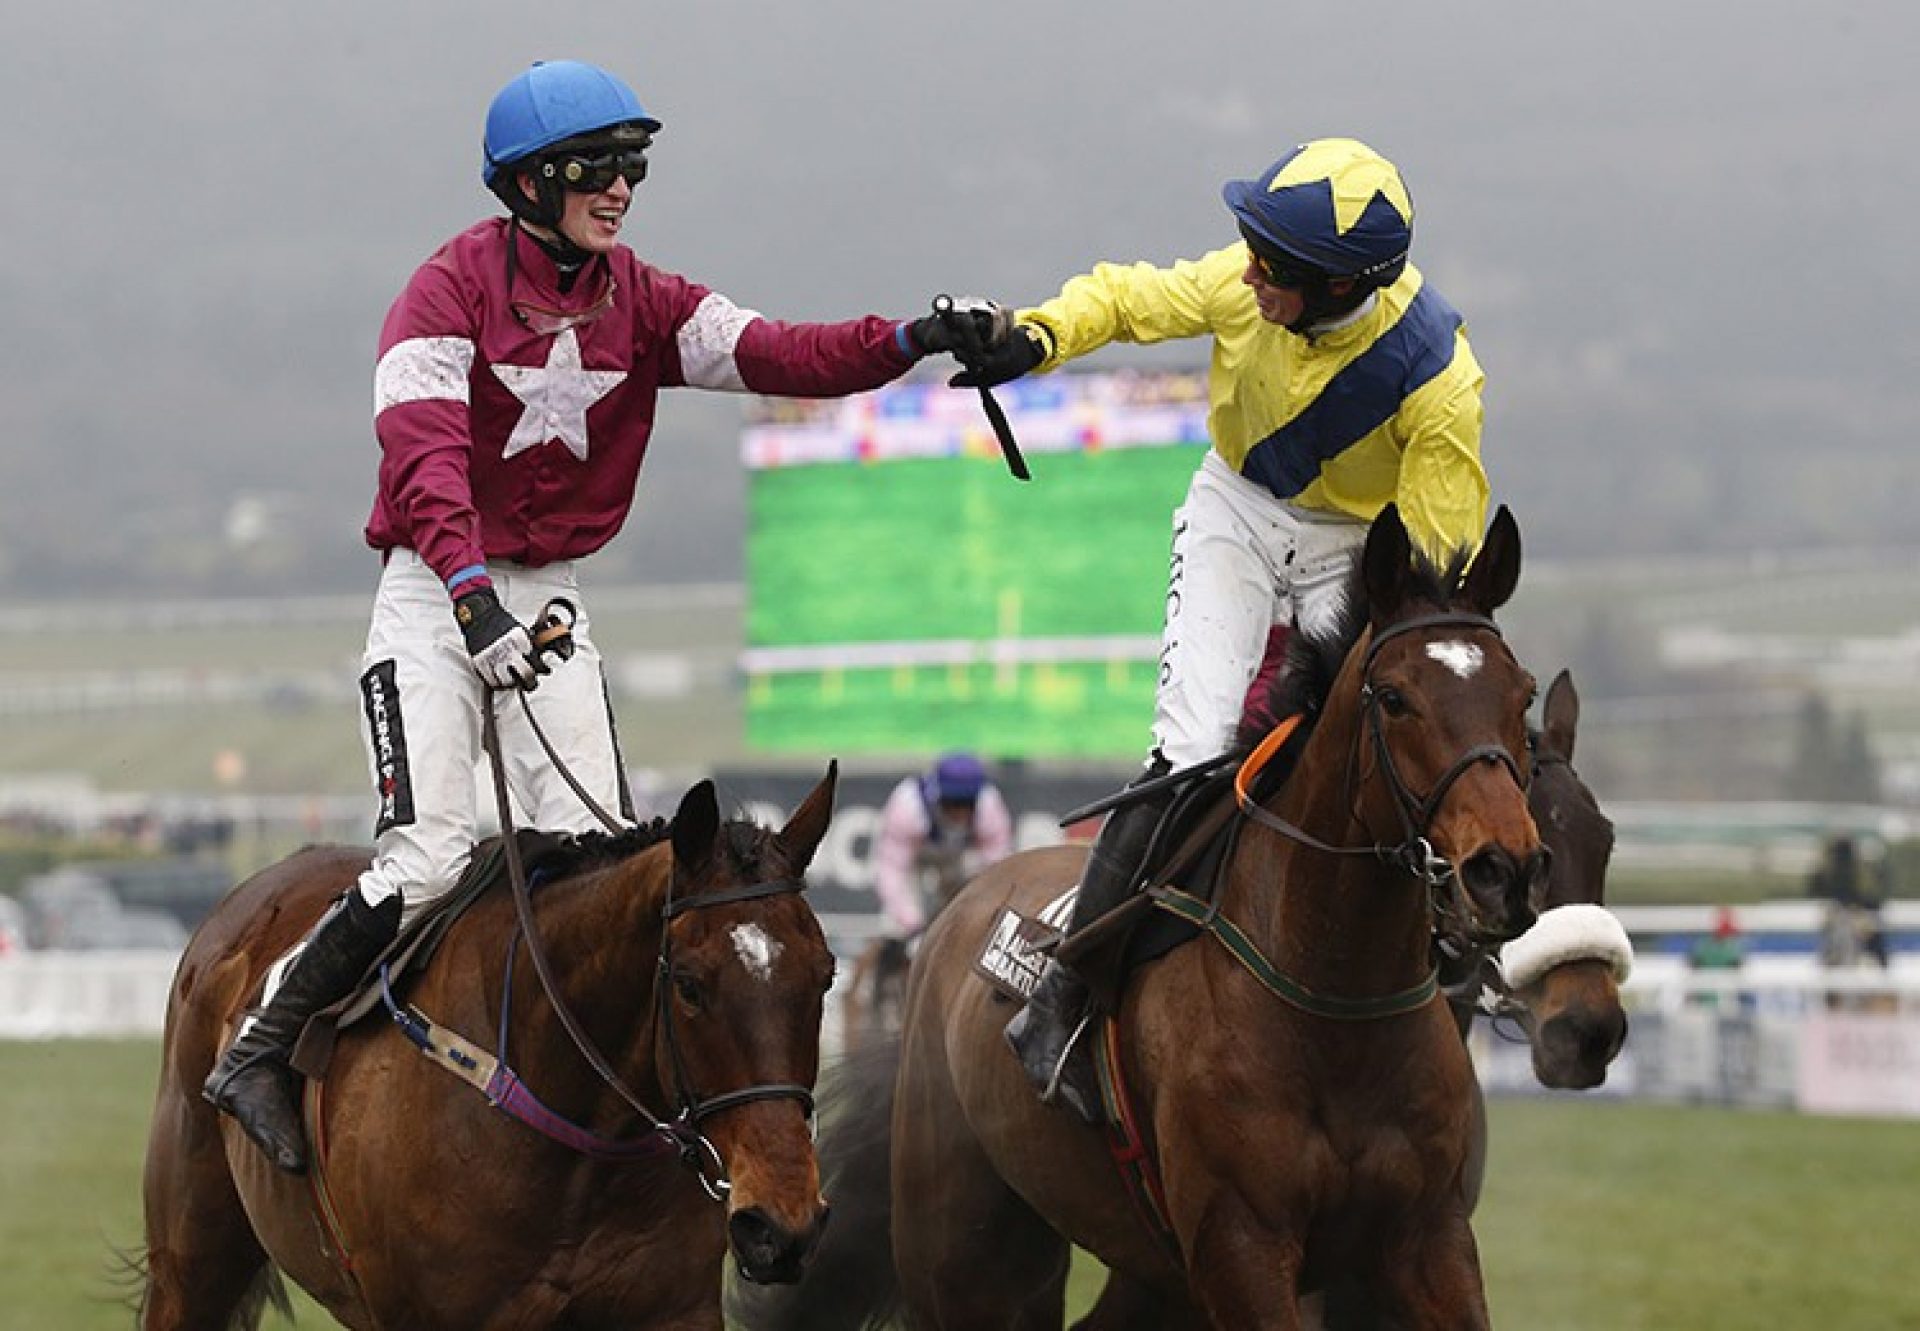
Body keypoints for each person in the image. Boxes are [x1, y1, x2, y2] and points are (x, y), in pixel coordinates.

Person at [203, 58, 1010, 1173]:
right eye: (596, 167)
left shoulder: (649, 300)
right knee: (432, 854)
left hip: (548, 594)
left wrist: (912, 336)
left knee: (600, 865)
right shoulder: (439, 296)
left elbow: (785, 352)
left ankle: (610, 1109)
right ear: (530, 184)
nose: (621, 187)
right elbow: (426, 463)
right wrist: (471, 597)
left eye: (632, 166)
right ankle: (259, 1043)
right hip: (434, 586)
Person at [980, 138, 1492, 1120]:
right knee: (1190, 751)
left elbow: (1431, 571)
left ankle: (1454, 975)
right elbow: (1129, 300)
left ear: (1340, 285)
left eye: (1273, 266)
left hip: (1356, 547)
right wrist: (1034, 336)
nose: (1249, 273)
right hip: (1237, 512)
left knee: (1376, 760)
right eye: (1253, 251)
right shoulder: (1249, 279)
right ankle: (1069, 994)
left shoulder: (1441, 382)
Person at [873, 752, 1016, 939]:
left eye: (967, 803)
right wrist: (912, 924)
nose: (960, 811)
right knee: (895, 928)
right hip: (915, 861)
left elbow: (998, 865)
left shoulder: (988, 805)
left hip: (960, 860)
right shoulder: (908, 806)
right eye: (953, 802)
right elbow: (893, 871)